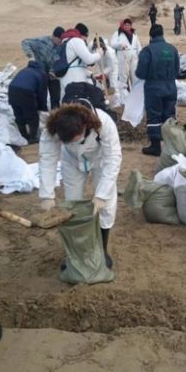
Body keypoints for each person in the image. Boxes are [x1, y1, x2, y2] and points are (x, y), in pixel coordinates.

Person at [39, 101, 122, 269]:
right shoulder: (51, 128)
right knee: (72, 203)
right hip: (71, 160)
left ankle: (102, 250)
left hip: (99, 159)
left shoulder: (104, 123)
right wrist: (47, 195)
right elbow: (47, 159)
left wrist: (101, 195)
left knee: (107, 204)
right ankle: (75, 253)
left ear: (85, 126)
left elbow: (113, 158)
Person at [135, 24, 180, 156]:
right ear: (162, 34)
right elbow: (177, 70)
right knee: (169, 114)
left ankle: (155, 146)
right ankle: (171, 145)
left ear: (151, 36)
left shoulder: (147, 51)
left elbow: (140, 72)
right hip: (171, 86)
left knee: (154, 115)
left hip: (154, 88)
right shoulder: (172, 49)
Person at [21, 26, 64, 109]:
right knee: (41, 98)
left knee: (55, 98)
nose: (61, 42)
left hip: (53, 75)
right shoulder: (42, 42)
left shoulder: (61, 46)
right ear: (54, 36)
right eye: (60, 40)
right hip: (41, 74)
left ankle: (55, 116)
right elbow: (25, 42)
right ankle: (42, 116)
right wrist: (31, 57)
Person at [8, 60, 49, 144]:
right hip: (26, 92)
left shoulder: (25, 70)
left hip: (12, 90)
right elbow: (42, 93)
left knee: (18, 114)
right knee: (32, 116)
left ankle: (23, 135)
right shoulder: (41, 73)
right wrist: (42, 107)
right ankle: (33, 137)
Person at [59, 23, 100, 96]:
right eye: (86, 37)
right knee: (77, 104)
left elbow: (79, 63)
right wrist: (99, 54)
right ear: (82, 35)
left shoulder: (65, 42)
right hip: (75, 80)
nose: (85, 40)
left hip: (66, 78)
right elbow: (88, 59)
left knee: (67, 103)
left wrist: (90, 74)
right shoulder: (76, 41)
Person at [110, 18, 142, 90]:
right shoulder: (118, 33)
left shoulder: (134, 34)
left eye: (128, 25)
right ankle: (123, 94)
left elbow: (138, 46)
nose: (127, 26)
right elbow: (112, 44)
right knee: (123, 75)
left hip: (134, 57)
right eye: (125, 25)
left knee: (135, 74)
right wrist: (120, 45)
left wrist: (140, 55)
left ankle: (135, 91)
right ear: (122, 25)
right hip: (123, 56)